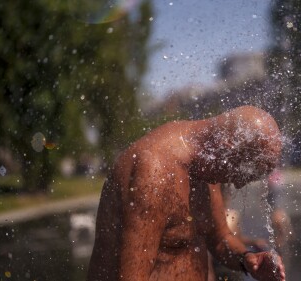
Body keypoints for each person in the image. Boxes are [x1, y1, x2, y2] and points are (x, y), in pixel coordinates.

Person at [87, 105, 286, 281]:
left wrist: (247, 259)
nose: (239, 184)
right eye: (245, 173)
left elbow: (219, 238)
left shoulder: (205, 167)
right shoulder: (153, 174)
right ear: (228, 149)